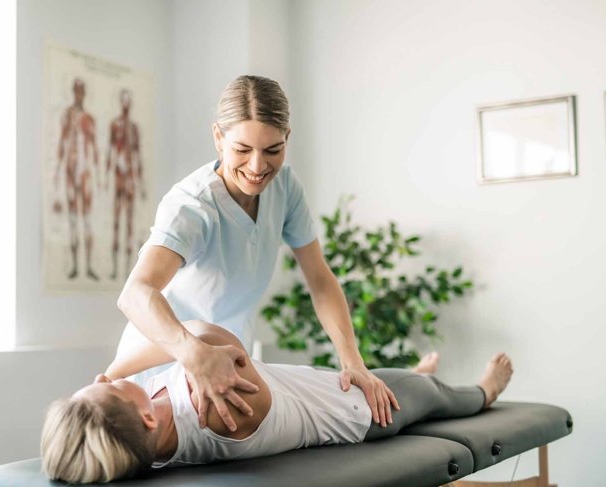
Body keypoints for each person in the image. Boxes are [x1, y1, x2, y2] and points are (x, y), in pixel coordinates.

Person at [111, 75, 398, 434]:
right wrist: (193, 355)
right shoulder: (191, 205)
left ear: (287, 140)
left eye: (273, 150)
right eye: (242, 150)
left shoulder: (286, 187)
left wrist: (353, 362)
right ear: (218, 138)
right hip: (164, 370)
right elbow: (135, 293)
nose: (258, 166)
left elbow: (320, 279)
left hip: (229, 363)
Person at [41, 321, 514, 484]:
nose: (104, 377)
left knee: (411, 380)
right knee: (433, 396)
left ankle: (413, 372)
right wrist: (120, 371)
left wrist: (112, 386)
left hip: (314, 384)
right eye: (102, 385)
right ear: (144, 414)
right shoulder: (219, 408)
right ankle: (484, 389)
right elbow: (201, 333)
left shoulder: (151, 435)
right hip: (358, 411)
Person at [54, 78, 100, 280]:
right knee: (73, 219)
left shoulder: (89, 119)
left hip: (85, 173)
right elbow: (62, 143)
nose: (79, 94)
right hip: (72, 172)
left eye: (82, 91)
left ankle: (88, 266)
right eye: (77, 90)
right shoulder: (68, 116)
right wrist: (57, 171)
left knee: (87, 220)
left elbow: (94, 147)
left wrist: (98, 176)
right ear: (74, 92)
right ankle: (74, 265)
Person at [105, 89, 144, 280]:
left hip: (129, 179)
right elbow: (110, 151)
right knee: (116, 223)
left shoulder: (134, 128)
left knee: (129, 224)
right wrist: (105, 177)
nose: (126, 105)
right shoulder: (116, 125)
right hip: (120, 177)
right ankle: (114, 269)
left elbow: (138, 157)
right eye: (124, 101)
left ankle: (128, 271)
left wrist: (140, 183)